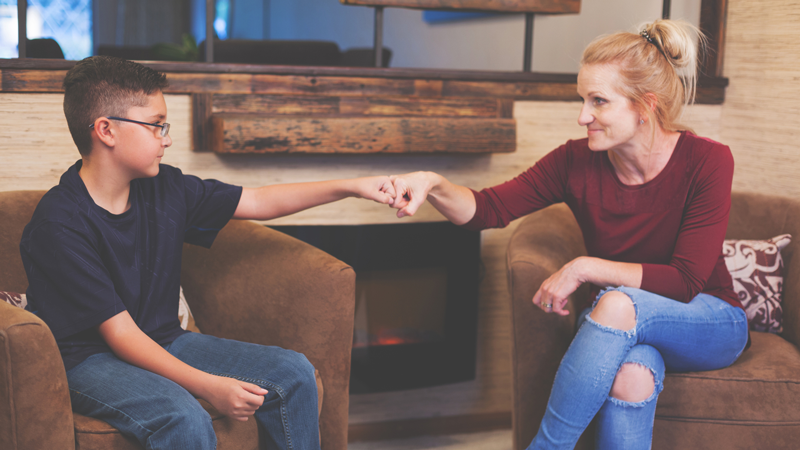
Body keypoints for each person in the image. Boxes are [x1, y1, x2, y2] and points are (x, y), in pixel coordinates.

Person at [389, 20, 749, 450]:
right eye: (582, 99)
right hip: (623, 325)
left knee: (614, 301)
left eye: (598, 101)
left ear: (645, 106)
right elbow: (487, 209)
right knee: (631, 378)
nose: (583, 117)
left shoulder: (707, 160)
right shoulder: (573, 161)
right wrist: (434, 182)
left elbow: (686, 280)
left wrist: (584, 267)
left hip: (707, 319)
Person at [19, 56, 397, 450]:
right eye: (156, 125)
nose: (166, 138)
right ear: (106, 130)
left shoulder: (164, 188)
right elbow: (120, 334)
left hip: (163, 337)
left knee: (294, 373)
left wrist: (353, 185)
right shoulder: (59, 222)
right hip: (86, 360)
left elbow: (258, 200)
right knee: (183, 417)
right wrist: (210, 386)